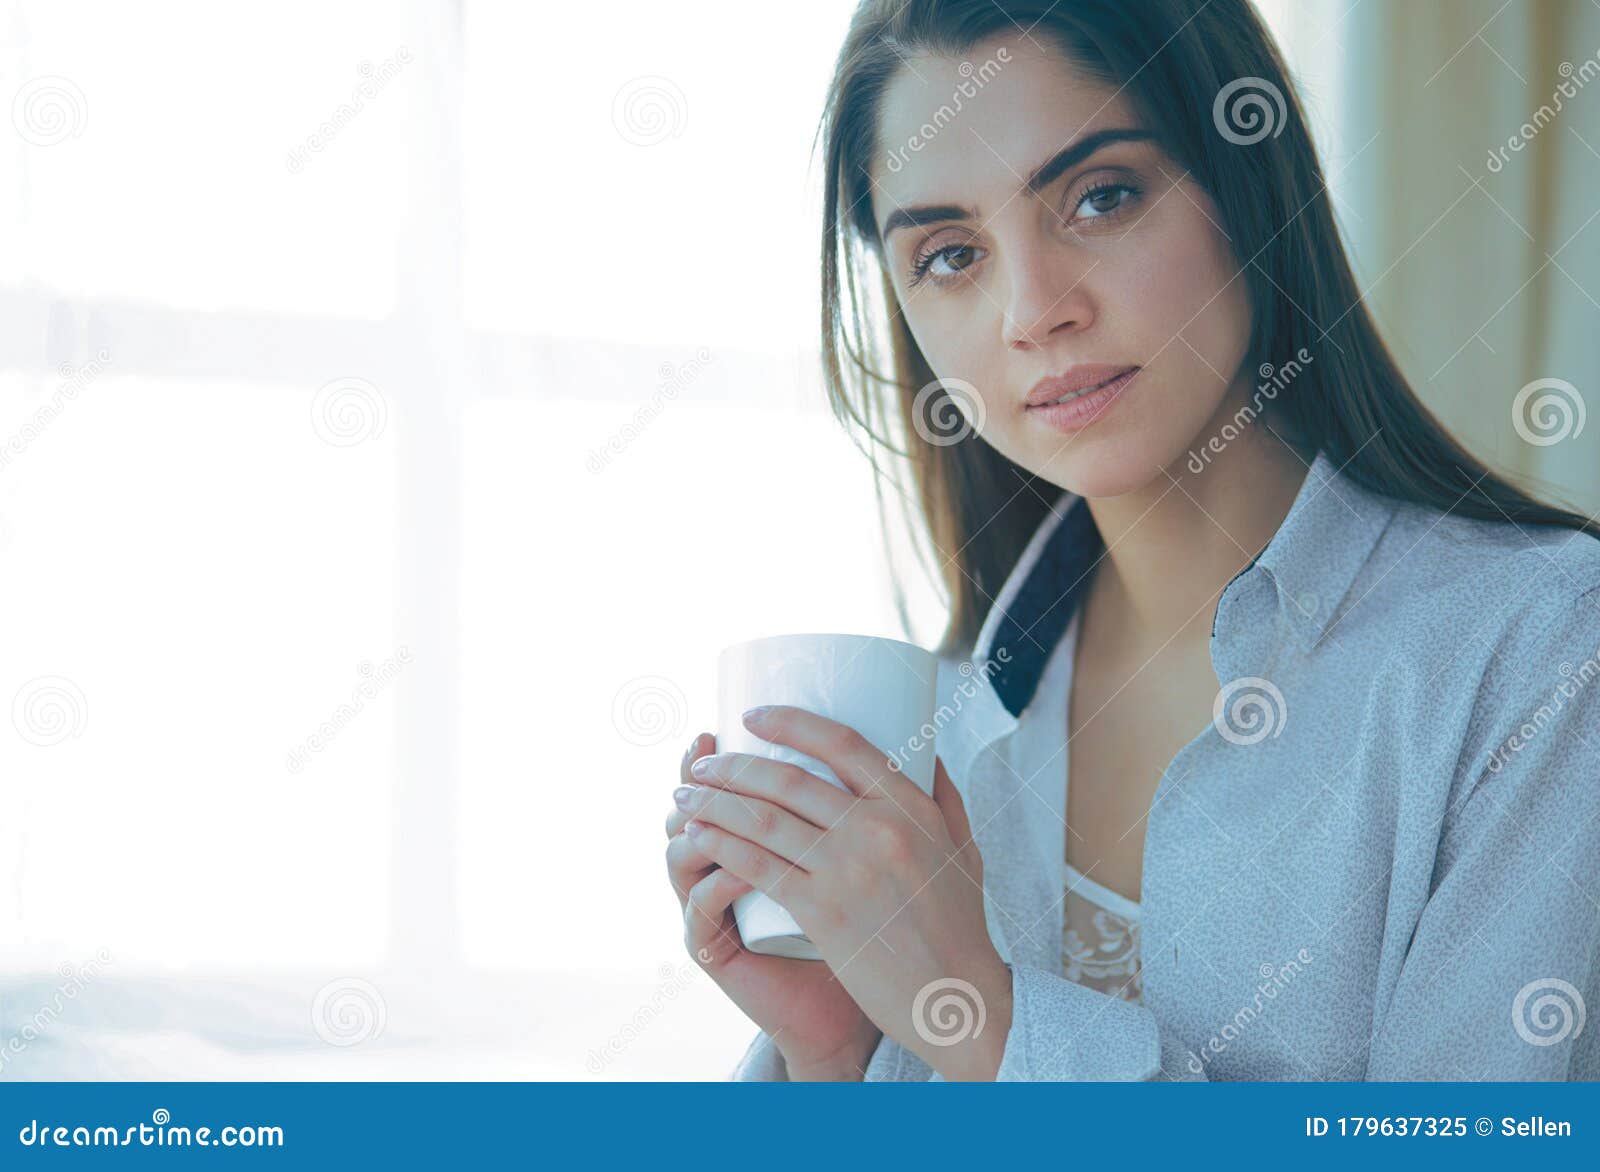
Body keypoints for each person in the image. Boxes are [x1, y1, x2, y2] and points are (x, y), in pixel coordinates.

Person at [663, 0, 1600, 1080]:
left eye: (1100, 197)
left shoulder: (1536, 654)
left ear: (1245, 186)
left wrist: (987, 1020)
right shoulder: (951, 731)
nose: (1033, 308)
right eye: (951, 253)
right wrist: (839, 1054)